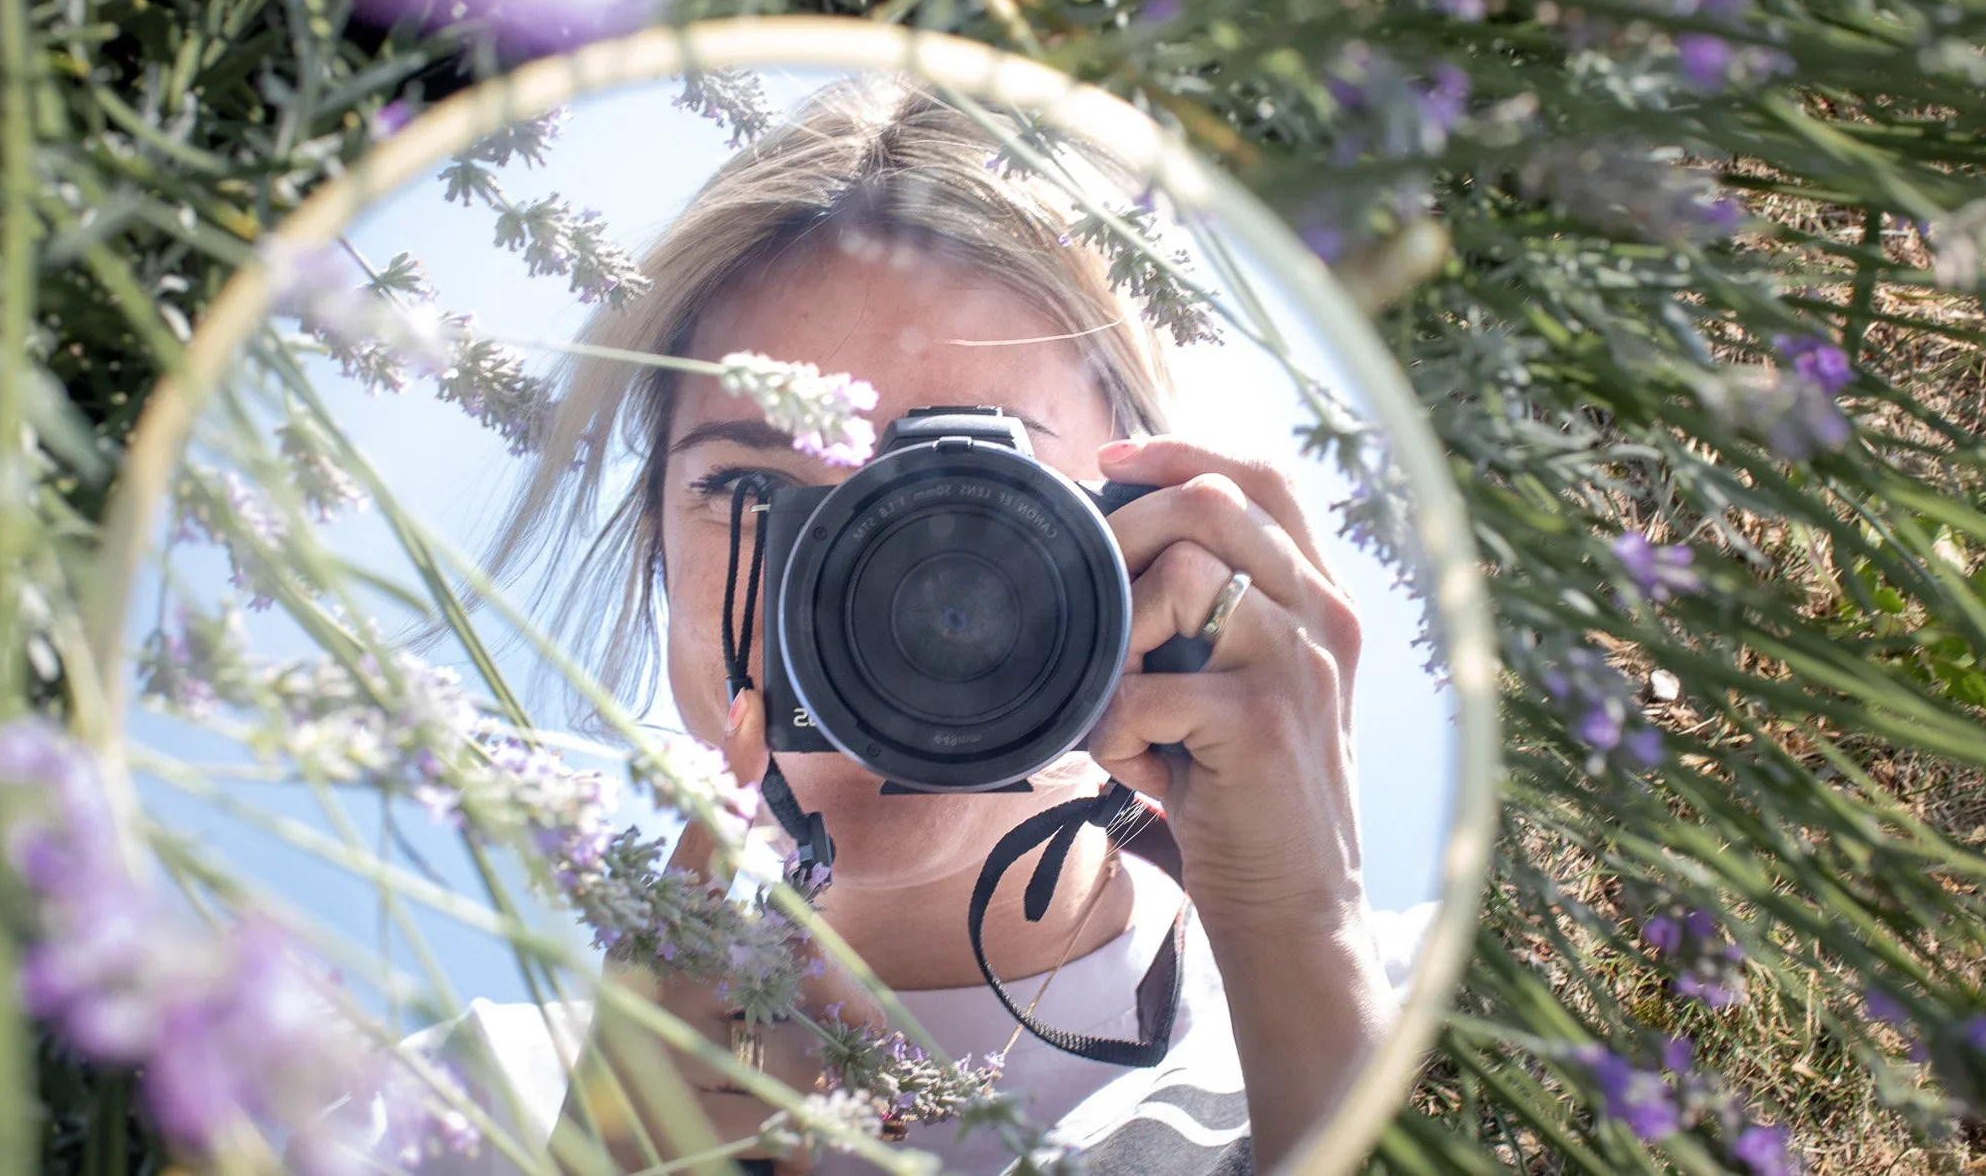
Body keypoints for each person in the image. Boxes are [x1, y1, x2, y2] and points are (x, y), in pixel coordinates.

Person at [393, 74, 1411, 1176]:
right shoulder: (426, 1111)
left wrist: (1303, 951)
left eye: (975, 493)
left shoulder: (1410, 1003)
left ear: (1152, 539)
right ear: (655, 555)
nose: (881, 577)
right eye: (751, 488)